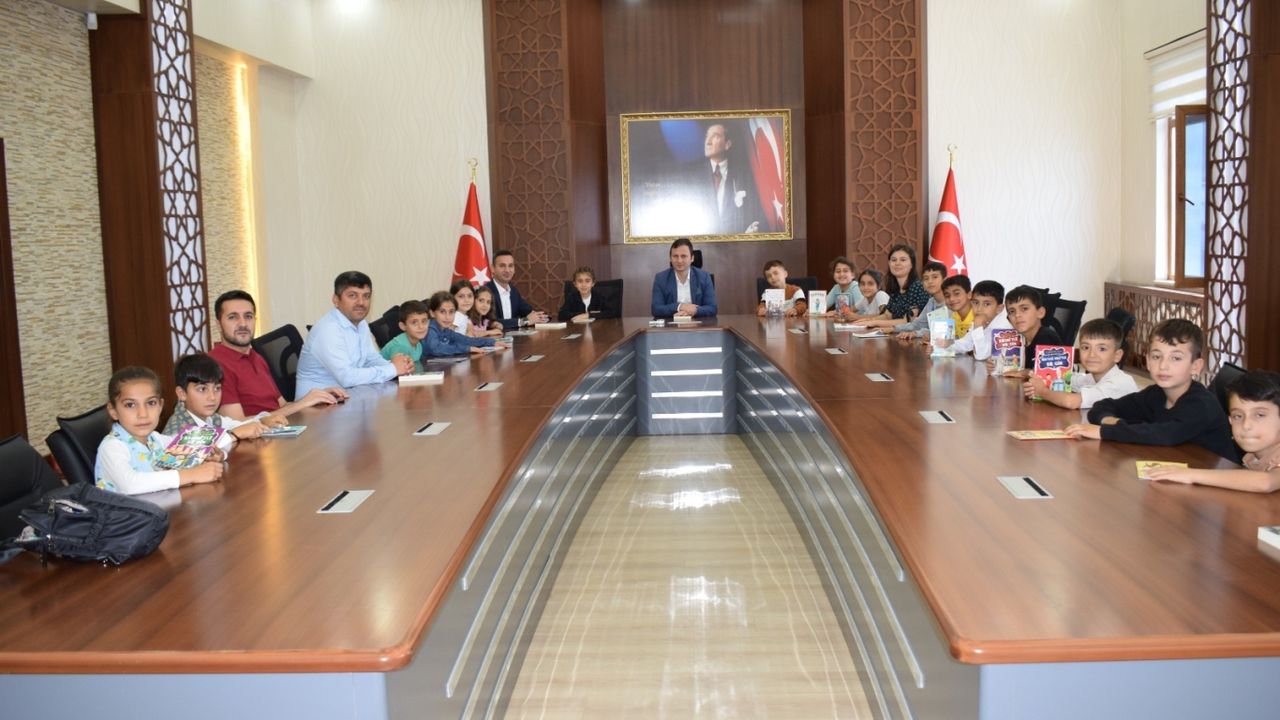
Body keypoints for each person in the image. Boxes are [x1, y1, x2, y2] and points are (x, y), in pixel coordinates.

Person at [1065, 319, 1238, 461]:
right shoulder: (1155, 394)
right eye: (1156, 356)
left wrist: (1105, 431)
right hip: (1175, 468)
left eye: (1176, 358)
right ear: (1147, 361)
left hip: (1217, 479)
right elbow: (1101, 407)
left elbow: (1166, 435)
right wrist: (1111, 421)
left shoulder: (1200, 404)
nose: (1163, 365)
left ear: (1196, 366)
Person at [210, 290, 348, 418]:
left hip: (281, 427)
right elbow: (237, 424)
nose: (243, 324)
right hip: (258, 435)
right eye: (232, 317)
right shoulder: (215, 365)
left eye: (248, 316)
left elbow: (281, 406)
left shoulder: (256, 356)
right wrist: (302, 403)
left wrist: (316, 399)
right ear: (218, 325)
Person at [95, 366, 224, 495]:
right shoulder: (111, 447)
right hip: (125, 509)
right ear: (113, 411)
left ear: (160, 406)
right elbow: (130, 484)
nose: (143, 414)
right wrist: (190, 475)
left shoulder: (156, 439)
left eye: (151, 403)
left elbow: (191, 447)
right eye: (130, 405)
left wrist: (209, 456)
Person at [1146, 370, 1280, 492]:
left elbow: (1265, 482)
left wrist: (1190, 474)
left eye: (1260, 415)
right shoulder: (1254, 456)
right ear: (1230, 420)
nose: (1246, 425)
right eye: (1238, 416)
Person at [295, 271, 414, 396]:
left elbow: (370, 358)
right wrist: (393, 369)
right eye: (352, 296)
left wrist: (399, 365)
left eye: (366, 296)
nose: (361, 302)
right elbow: (347, 378)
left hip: (345, 396)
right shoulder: (328, 330)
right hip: (317, 404)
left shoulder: (360, 323)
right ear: (336, 300)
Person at [163, 353, 286, 451]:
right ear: (182, 393)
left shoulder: (211, 418)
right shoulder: (176, 428)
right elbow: (189, 453)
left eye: (217, 388)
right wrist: (234, 434)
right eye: (202, 389)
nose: (212, 397)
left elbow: (238, 425)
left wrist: (263, 420)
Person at [1022, 318, 1137, 410]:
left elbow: (1070, 401)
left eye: (1102, 349)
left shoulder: (1119, 383)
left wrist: (1042, 391)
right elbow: (1065, 378)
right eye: (1086, 347)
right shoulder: (1092, 378)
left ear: (1117, 355)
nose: (1092, 354)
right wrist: (1035, 377)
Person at [689, 123, 762, 235]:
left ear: (727, 144)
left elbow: (754, 214)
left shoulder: (744, 174)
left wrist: (748, 232)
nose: (708, 142)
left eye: (715, 136)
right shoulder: (694, 177)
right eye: (707, 136)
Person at [1002, 285, 1064, 378]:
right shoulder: (1018, 340)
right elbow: (1013, 366)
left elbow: (1050, 372)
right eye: (1012, 311)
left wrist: (1024, 373)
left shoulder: (1046, 337)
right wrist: (996, 366)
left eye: (1024, 309)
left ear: (1040, 313)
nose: (1017, 315)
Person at [869, 260, 943, 333]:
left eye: (935, 277)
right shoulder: (931, 302)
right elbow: (918, 324)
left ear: (944, 280)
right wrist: (894, 329)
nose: (930, 281)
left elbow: (942, 330)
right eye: (926, 278)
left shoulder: (948, 302)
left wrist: (916, 334)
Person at [423, 291, 505, 357]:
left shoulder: (446, 330)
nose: (447, 317)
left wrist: (491, 342)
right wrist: (467, 349)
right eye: (442, 312)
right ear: (432, 313)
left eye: (451, 312)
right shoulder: (430, 329)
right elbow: (436, 349)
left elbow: (466, 340)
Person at [651, 238, 717, 318]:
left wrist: (694, 311)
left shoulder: (704, 277)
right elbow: (656, 309)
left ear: (692, 258)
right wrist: (680, 307)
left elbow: (712, 308)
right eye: (675, 256)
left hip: (697, 323)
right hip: (671, 323)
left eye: (683, 256)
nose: (679, 260)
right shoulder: (661, 278)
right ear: (670, 258)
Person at [486, 250, 550, 330]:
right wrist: (524, 321)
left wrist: (541, 317)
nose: (507, 270)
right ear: (492, 268)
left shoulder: (513, 291)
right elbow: (489, 322)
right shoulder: (486, 292)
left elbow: (528, 311)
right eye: (502, 266)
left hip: (513, 337)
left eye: (510, 266)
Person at [950, 280, 1012, 361]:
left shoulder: (1003, 328)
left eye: (987, 304)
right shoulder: (980, 320)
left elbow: (981, 356)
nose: (979, 309)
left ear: (999, 308)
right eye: (976, 303)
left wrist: (978, 327)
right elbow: (966, 343)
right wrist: (940, 347)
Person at [876, 244, 930, 322]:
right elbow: (887, 315)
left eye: (903, 260)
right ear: (889, 263)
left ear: (911, 264)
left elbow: (907, 321)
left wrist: (874, 323)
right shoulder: (895, 289)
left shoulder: (918, 287)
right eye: (894, 260)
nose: (897, 263)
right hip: (895, 329)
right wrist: (865, 322)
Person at [381, 300, 431, 372]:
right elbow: (401, 373)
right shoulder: (400, 346)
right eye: (414, 322)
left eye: (424, 321)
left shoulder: (418, 345)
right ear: (403, 326)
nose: (421, 326)